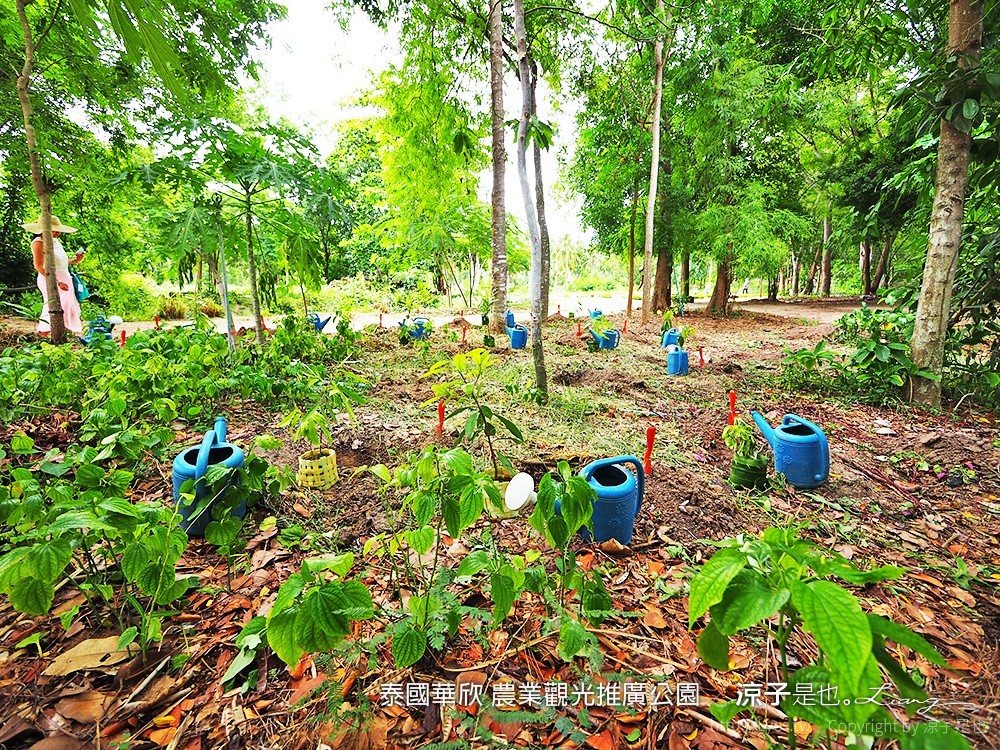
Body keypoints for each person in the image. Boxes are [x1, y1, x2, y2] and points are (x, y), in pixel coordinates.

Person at [24, 214, 84, 335]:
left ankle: (64, 332)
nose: (57, 233)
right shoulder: (39, 242)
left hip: (65, 277)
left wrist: (75, 260)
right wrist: (56, 282)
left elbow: (60, 262)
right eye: (54, 230)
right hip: (50, 278)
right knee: (54, 305)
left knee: (68, 305)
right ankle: (44, 332)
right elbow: (39, 265)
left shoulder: (55, 242)